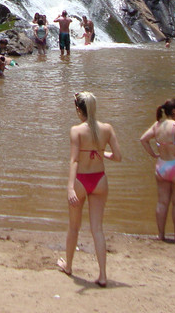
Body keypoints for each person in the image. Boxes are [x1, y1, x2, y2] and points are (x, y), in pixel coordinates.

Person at [58, 91, 122, 287]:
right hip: (99, 179)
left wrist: (70, 188)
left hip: (80, 181)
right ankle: (103, 275)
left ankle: (68, 266)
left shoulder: (76, 131)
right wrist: (103, 153)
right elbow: (118, 157)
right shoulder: (107, 129)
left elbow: (74, 160)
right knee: (97, 229)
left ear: (78, 110)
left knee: (74, 227)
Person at [139, 98, 175, 242]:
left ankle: (161, 235)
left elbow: (143, 139)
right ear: (174, 111)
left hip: (161, 166)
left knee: (162, 202)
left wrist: (153, 154)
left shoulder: (158, 125)